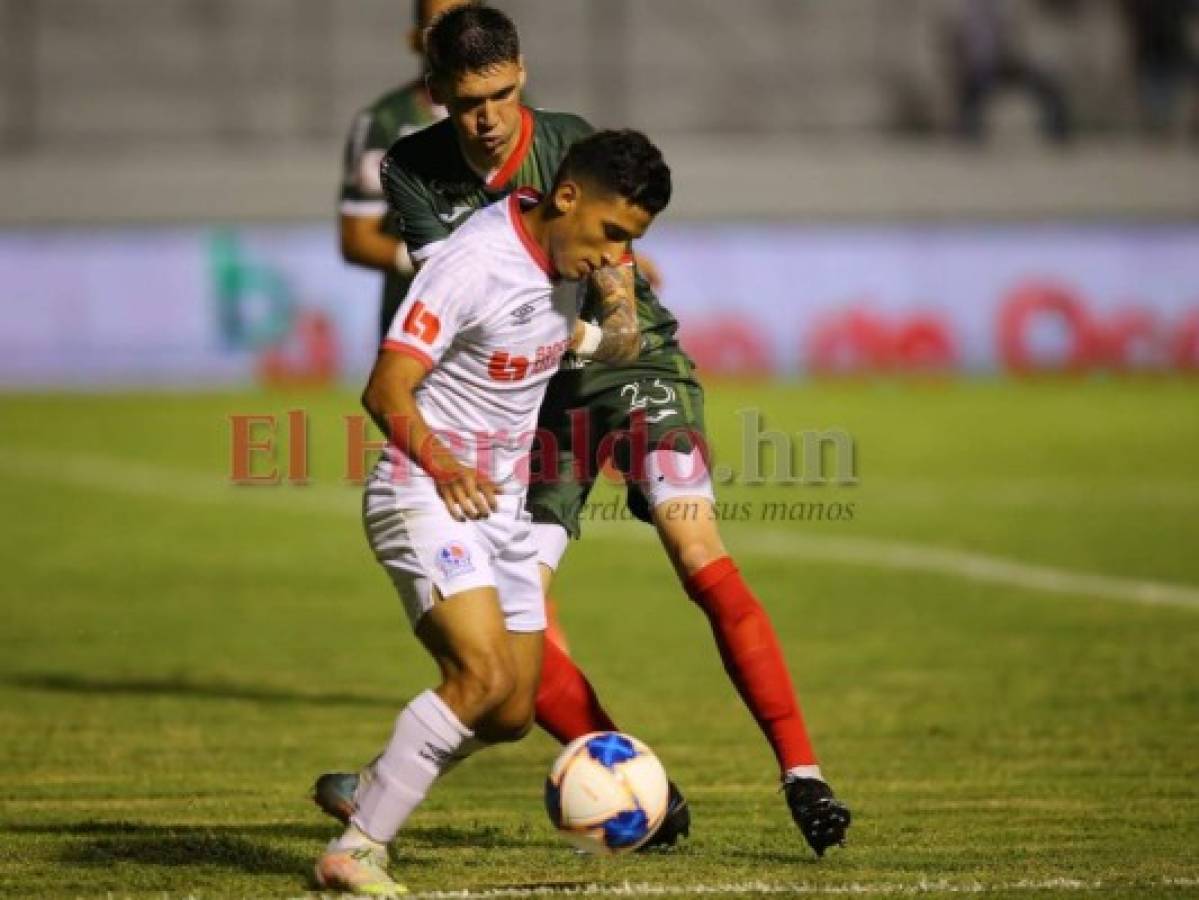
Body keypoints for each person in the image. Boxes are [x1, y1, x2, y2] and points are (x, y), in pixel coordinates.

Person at [318, 4, 851, 860]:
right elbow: (474, 296)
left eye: (498, 96)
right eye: (465, 104)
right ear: (436, 90)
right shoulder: (411, 166)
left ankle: (802, 773)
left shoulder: (564, 139)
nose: (486, 121)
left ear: (521, 74)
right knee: (515, 655)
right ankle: (631, 785)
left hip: (621, 365)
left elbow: (613, 281)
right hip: (528, 382)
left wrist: (614, 312)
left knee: (693, 546)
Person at [313, 130, 673, 896]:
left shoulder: (566, 261)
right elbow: (385, 390)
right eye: (613, 234)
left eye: (631, 243)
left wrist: (618, 314)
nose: (615, 254)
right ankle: (358, 847)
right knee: (476, 676)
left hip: (500, 511)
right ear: (567, 196)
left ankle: (374, 783)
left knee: (509, 710)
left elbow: (585, 344)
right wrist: (444, 468)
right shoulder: (471, 264)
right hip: (427, 490)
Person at [338, 0, 474, 340]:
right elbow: (357, 237)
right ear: (415, 39)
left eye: (465, 23)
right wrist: (434, 262)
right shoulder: (386, 122)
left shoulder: (520, 111)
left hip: (500, 323)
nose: (455, 37)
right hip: (417, 321)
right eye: (438, 26)